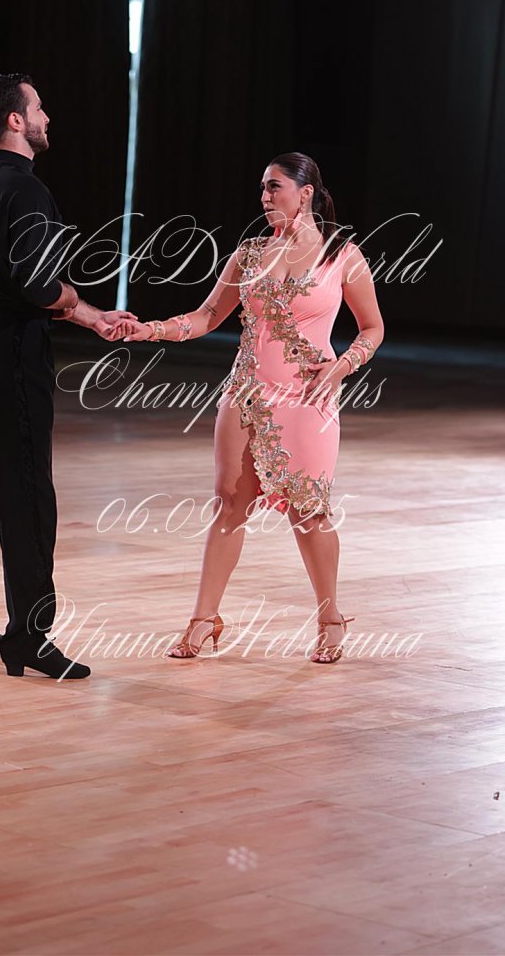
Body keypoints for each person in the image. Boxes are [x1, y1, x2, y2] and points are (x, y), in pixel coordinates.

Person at [102, 152, 384, 664]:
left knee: (309, 511)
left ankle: (330, 617)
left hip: (308, 398)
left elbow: (373, 328)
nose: (264, 196)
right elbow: (208, 315)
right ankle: (204, 618)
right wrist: (151, 329)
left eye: (274, 187)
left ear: (305, 192)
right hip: (245, 394)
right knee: (229, 504)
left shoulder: (343, 255)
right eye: (262, 188)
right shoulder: (249, 254)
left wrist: (343, 366)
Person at [0, 73, 135, 680]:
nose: (47, 117)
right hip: (10, 348)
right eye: (39, 108)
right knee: (25, 490)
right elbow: (38, 286)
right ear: (17, 121)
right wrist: (83, 307)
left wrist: (87, 314)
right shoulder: (25, 188)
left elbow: (4, 275)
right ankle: (29, 636)